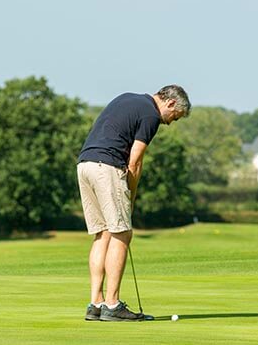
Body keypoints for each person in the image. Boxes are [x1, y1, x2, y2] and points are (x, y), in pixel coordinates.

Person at [77, 85, 191, 320]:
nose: (171, 122)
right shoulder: (151, 115)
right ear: (170, 104)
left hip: (85, 165)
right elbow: (135, 161)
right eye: (175, 117)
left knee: (103, 233)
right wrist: (131, 193)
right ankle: (112, 305)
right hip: (107, 167)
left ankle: (95, 304)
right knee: (122, 233)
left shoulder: (128, 98)